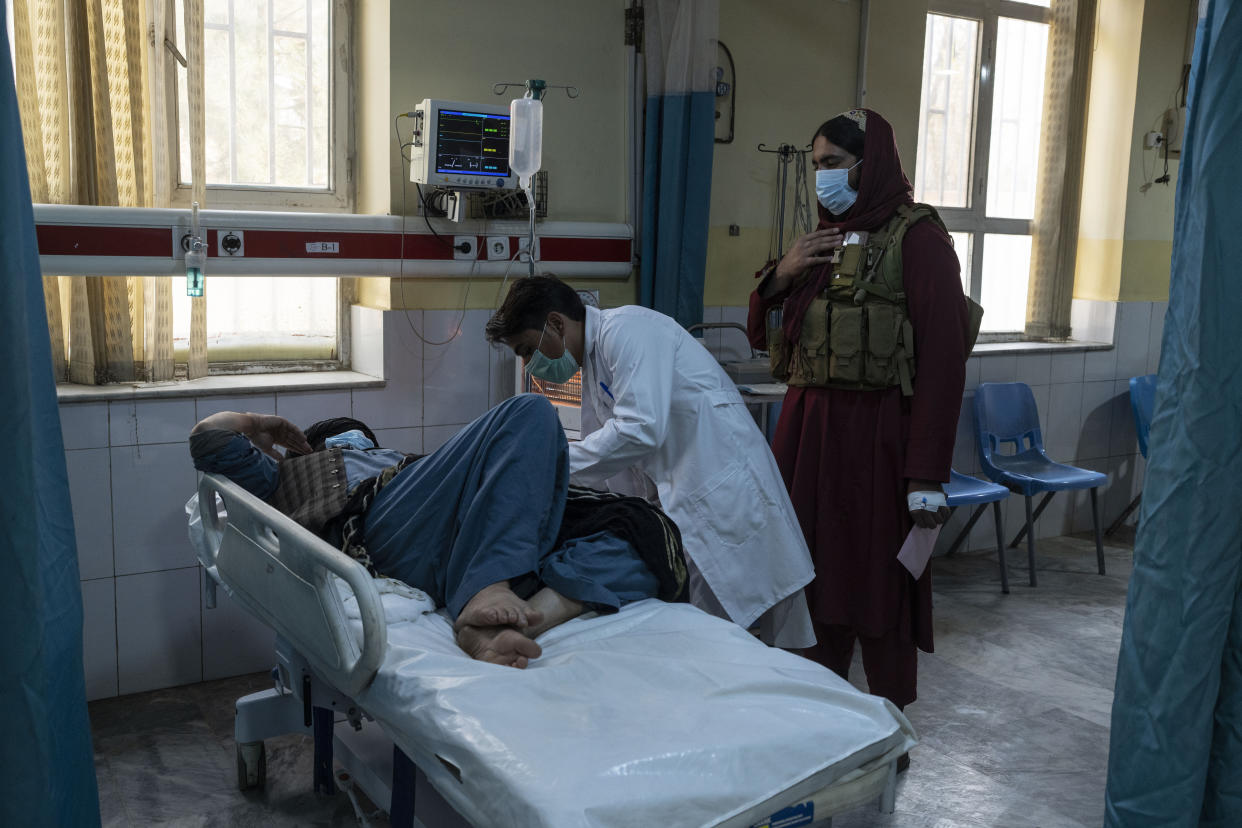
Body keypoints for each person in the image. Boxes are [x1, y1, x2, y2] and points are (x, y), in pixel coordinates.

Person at [189, 394, 686, 669]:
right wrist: (261, 422)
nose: (352, 440)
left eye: (359, 436)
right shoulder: (284, 475)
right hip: (386, 527)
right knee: (531, 413)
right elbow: (209, 438)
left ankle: (532, 613)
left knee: (639, 530)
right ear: (313, 445)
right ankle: (485, 589)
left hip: (465, 536)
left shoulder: (398, 462)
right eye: (339, 437)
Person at [745, 108, 969, 710]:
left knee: (879, 586)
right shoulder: (819, 241)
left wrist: (926, 475)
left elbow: (944, 366)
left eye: (834, 165)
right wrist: (780, 277)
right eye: (817, 167)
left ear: (870, 167)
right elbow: (767, 334)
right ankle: (819, 719)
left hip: (878, 441)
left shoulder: (919, 241)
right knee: (810, 580)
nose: (823, 178)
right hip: (811, 438)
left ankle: (889, 724)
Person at [486, 276, 817, 648]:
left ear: (558, 324)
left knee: (755, 643)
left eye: (528, 349)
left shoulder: (628, 330)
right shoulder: (591, 371)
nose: (529, 366)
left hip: (726, 496)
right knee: (713, 643)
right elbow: (609, 470)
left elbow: (640, 431)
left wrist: (547, 464)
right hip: (689, 508)